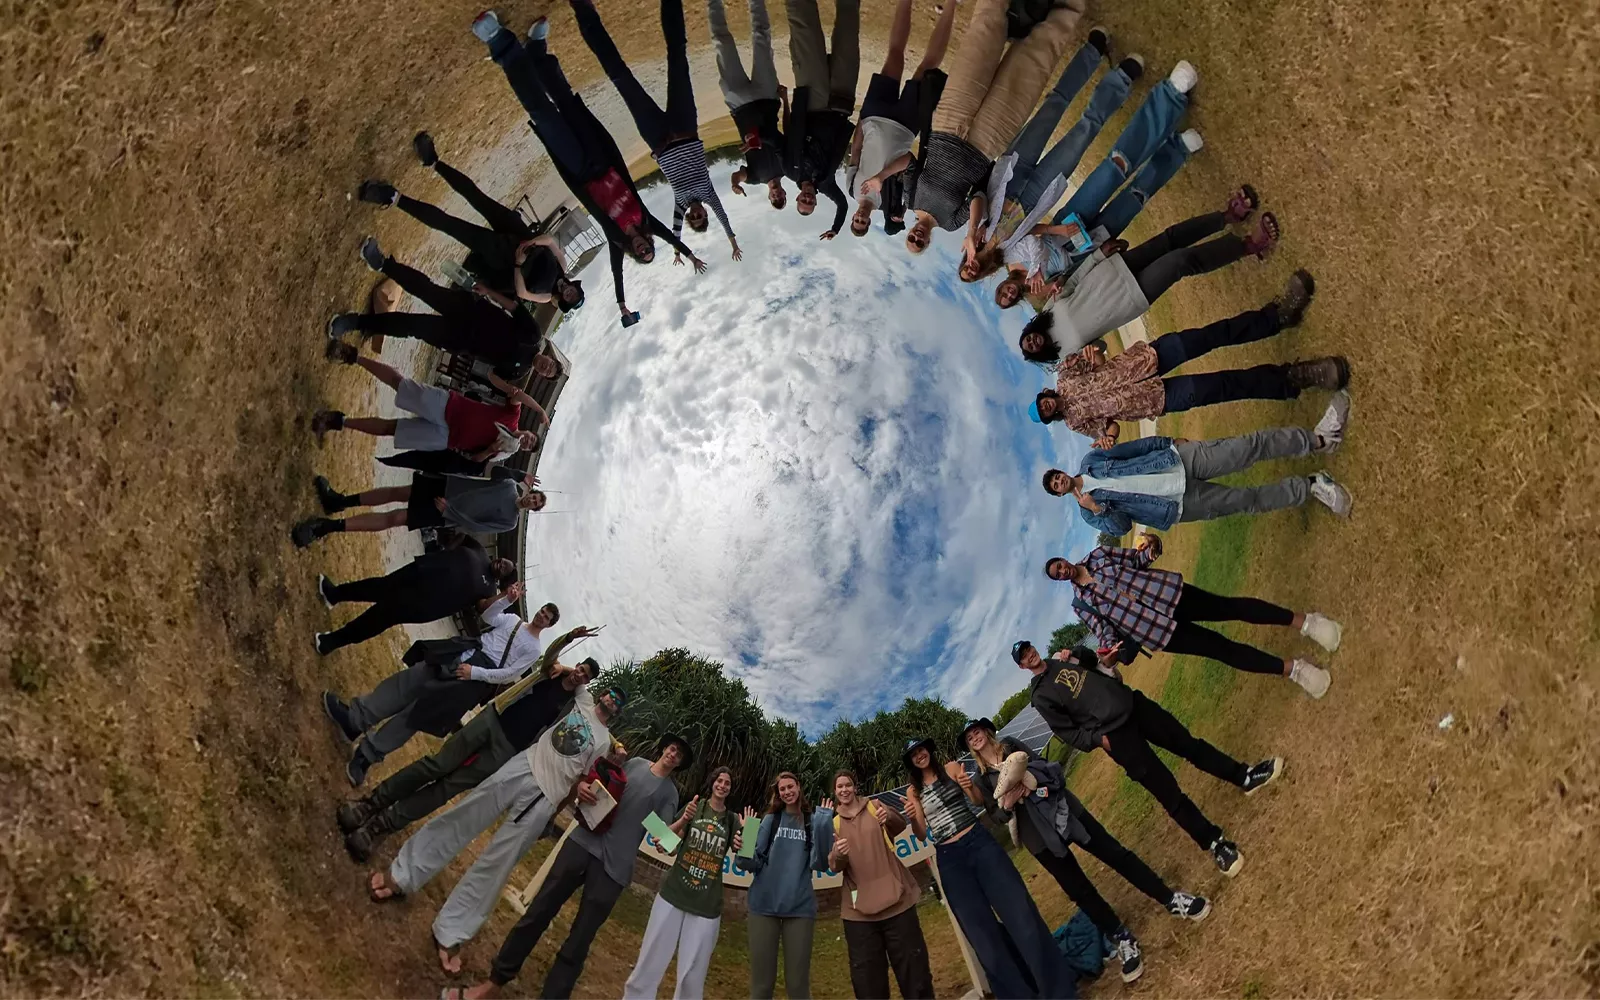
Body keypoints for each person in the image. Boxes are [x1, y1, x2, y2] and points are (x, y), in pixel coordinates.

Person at [365, 678, 629, 973]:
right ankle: (403, 874)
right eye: (611, 695)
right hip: (523, 765)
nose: (611, 701)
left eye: (618, 701)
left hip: (546, 796)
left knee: (498, 864)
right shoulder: (583, 699)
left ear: (618, 710)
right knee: (464, 816)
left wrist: (559, 808)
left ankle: (451, 931)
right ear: (603, 693)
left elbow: (583, 776)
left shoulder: (604, 742)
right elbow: (562, 670)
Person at [472, 12, 707, 325]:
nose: (642, 249)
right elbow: (669, 234)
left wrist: (622, 304)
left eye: (641, 255)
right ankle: (537, 52)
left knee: (545, 115)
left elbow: (616, 272)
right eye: (648, 250)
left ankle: (502, 45)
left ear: (634, 254)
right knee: (567, 101)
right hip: (603, 157)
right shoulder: (646, 220)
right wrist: (690, 254)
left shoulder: (615, 240)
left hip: (581, 170)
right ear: (649, 243)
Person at [959, 718, 1212, 984]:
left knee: (1115, 854)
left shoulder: (1011, 746)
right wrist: (1009, 803)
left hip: (1064, 811)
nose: (974, 736)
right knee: (1078, 889)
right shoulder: (982, 779)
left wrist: (1036, 786)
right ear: (969, 746)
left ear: (986, 732)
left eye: (976, 730)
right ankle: (1121, 937)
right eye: (969, 737)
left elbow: (1047, 768)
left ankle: (1169, 899)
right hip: (1038, 838)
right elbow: (997, 817)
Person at [446, 736, 691, 1000]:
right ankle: (494, 982)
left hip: (613, 870)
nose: (673, 754)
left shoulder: (669, 794)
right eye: (672, 747)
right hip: (582, 844)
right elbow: (602, 789)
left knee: (579, 941)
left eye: (679, 755)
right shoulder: (635, 765)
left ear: (680, 763)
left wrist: (683, 821)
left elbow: (662, 839)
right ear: (664, 747)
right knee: (538, 912)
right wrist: (585, 787)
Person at [1015, 639, 1281, 877]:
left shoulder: (1065, 659)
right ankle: (1215, 842)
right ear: (1022, 667)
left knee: (1190, 745)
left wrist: (1074, 652)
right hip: (1117, 737)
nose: (1030, 656)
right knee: (1167, 791)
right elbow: (1068, 732)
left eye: (1029, 649)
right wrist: (1100, 740)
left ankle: (1244, 776)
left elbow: (1098, 664)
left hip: (1134, 706)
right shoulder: (1040, 696)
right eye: (1024, 657)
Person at [335, 651, 601, 855]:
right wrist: (567, 663)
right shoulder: (550, 673)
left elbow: (591, 711)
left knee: (448, 788)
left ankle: (381, 825)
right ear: (576, 665)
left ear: (588, 683)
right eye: (581, 668)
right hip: (492, 720)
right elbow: (552, 653)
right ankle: (370, 803)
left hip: (507, 749)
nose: (580, 675)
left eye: (586, 676)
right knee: (436, 765)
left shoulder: (572, 704)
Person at [319, 582, 580, 785]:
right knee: (408, 682)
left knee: (420, 713)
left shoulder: (534, 649)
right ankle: (355, 719)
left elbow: (509, 674)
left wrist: (474, 673)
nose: (541, 616)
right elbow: (488, 618)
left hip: (477, 676)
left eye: (547, 618)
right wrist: (505, 598)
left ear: (549, 625)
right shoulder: (513, 620)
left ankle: (367, 754)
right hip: (461, 653)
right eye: (542, 611)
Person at [1022, 273, 1341, 438]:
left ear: (1043, 396)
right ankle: (1295, 378)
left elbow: (1098, 353)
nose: (1047, 406)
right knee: (1225, 386)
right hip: (1154, 400)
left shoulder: (1064, 376)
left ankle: (1278, 317)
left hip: (1146, 359)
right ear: (1050, 418)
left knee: (1213, 335)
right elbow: (1109, 428)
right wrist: (1107, 437)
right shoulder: (1076, 423)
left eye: (1042, 403)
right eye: (1045, 412)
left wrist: (1096, 355)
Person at [996, 61, 1200, 301]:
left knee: (1114, 168)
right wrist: (1060, 282)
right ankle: (1177, 150)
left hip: (1069, 221)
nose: (1009, 293)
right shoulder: (1035, 293)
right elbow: (1069, 277)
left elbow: (1030, 231)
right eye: (1009, 300)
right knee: (1136, 198)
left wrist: (1057, 229)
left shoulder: (1009, 257)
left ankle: (1170, 95)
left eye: (1002, 293)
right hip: (1088, 246)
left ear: (1001, 284)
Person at [1043, 535, 1343, 698]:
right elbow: (1105, 632)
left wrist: (1152, 547)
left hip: (1170, 594)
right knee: (1222, 651)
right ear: (1060, 580)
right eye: (1058, 575)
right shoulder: (1081, 605)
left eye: (1060, 565)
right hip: (1158, 632)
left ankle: (1307, 622)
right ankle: (1295, 670)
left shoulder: (1098, 555)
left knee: (1232, 608)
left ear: (1064, 559)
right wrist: (1109, 654)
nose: (1063, 571)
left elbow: (1137, 559)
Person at [901, 0, 1085, 252]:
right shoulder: (951, 223)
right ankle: (1069, 8)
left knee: (981, 39)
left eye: (911, 239)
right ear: (928, 242)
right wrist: (972, 229)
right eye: (920, 243)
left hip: (948, 123)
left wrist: (880, 177)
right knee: (1032, 66)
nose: (917, 237)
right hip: (986, 143)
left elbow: (909, 162)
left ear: (909, 233)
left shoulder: (910, 199)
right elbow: (978, 198)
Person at [567, 0, 742, 261]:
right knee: (677, 55)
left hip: (656, 137)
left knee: (620, 77)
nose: (694, 214)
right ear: (705, 212)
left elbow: (674, 230)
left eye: (692, 219)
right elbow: (724, 216)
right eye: (700, 216)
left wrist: (680, 252)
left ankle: (584, 12)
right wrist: (732, 242)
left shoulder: (680, 205)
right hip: (685, 127)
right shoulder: (709, 194)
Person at [902, 738, 1075, 999]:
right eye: (913, 754)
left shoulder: (950, 769)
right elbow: (922, 833)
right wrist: (914, 817)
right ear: (910, 761)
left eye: (921, 749)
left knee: (1020, 913)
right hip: (950, 859)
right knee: (983, 936)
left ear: (928, 750)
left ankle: (1058, 992)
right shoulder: (912, 792)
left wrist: (969, 786)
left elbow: (978, 800)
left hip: (979, 843)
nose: (919, 755)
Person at [958, 33, 1140, 279]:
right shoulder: (1007, 256)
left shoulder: (975, 233)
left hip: (1012, 172)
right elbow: (1034, 233)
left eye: (964, 269)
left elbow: (978, 197)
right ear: (981, 274)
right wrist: (1058, 233)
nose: (970, 269)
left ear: (964, 261)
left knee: (1053, 105)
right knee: (1083, 134)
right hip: (1038, 194)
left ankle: (1092, 51)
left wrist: (971, 231)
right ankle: (1122, 78)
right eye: (972, 275)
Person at [356, 131, 587, 311]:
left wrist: (518, 263)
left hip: (503, 254)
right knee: (477, 197)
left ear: (564, 301)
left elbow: (522, 293)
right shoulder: (562, 266)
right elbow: (551, 242)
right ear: (575, 288)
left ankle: (392, 197)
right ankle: (434, 162)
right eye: (574, 294)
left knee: (451, 225)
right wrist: (533, 242)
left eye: (569, 299)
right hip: (520, 233)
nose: (569, 294)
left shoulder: (546, 296)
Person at [998, 192, 1281, 338]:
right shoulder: (1064, 351)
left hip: (1113, 269)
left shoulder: (1045, 309)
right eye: (1008, 300)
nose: (1032, 341)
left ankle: (1227, 217)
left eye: (1028, 337)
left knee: (1169, 239)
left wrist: (1099, 256)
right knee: (1181, 261)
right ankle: (1248, 246)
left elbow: (1072, 281)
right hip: (1130, 294)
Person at [1041, 410, 1356, 531]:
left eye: (1056, 476)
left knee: (1247, 447)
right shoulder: (1087, 514)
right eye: (1056, 486)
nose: (1059, 481)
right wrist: (1097, 507)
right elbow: (1123, 527)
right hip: (1176, 506)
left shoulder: (1091, 461)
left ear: (1061, 471)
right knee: (1248, 501)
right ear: (1059, 493)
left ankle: (1318, 440)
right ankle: (1312, 485)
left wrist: (1167, 440)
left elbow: (1134, 449)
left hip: (1177, 460)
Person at [325, 240, 556, 380]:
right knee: (426, 289)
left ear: (541, 375)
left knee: (411, 326)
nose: (546, 368)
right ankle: (382, 262)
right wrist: (489, 291)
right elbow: (514, 307)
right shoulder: (534, 335)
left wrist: (516, 396)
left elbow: (494, 376)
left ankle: (355, 322)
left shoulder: (518, 372)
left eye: (547, 373)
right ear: (549, 358)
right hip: (472, 310)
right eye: (550, 365)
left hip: (459, 339)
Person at [623, 767, 753, 999]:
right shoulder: (696, 806)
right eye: (719, 781)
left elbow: (745, 859)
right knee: (651, 956)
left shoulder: (732, 820)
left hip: (706, 904)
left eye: (727, 783)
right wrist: (684, 818)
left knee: (692, 973)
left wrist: (750, 829)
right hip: (673, 894)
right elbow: (667, 845)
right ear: (712, 783)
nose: (723, 785)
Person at [308, 346, 543, 466]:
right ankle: (351, 356)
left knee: (393, 429)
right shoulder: (513, 416)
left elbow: (475, 460)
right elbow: (518, 395)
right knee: (401, 384)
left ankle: (335, 421)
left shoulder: (505, 452)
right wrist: (540, 410)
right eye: (531, 439)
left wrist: (492, 449)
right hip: (450, 406)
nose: (527, 443)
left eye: (528, 447)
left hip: (446, 438)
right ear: (529, 433)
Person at [842, 0, 957, 236]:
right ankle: (951, 5)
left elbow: (855, 152)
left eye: (856, 221)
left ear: (853, 217)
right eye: (863, 223)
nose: (861, 218)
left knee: (894, 55)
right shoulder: (888, 203)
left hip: (874, 116)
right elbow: (908, 160)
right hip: (905, 126)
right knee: (927, 68)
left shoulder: (852, 190)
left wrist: (863, 120)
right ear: (868, 223)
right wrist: (881, 177)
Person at [827, 770, 934, 1000]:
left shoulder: (876, 806)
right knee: (869, 985)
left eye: (848, 785)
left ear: (855, 787)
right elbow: (835, 866)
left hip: (898, 902)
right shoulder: (832, 824)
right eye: (839, 787)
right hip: (859, 913)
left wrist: (890, 817)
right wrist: (838, 854)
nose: (844, 790)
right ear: (835, 792)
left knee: (915, 976)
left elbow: (899, 826)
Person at [311, 538, 515, 656]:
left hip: (426, 602)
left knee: (380, 616)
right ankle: (334, 594)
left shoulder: (489, 590)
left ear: (502, 578)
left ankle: (332, 641)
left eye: (504, 568)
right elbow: (463, 537)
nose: (501, 564)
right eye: (503, 560)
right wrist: (445, 550)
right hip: (421, 571)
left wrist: (504, 597)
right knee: (378, 586)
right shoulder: (479, 551)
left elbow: (482, 609)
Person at [736, 772, 836, 999]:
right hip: (763, 907)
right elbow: (750, 862)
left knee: (798, 985)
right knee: (762, 986)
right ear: (778, 793)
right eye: (782, 789)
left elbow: (820, 863)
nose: (787, 792)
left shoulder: (812, 822)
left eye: (791, 787)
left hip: (799, 908)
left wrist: (823, 824)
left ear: (799, 787)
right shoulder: (771, 820)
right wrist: (747, 833)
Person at [292, 470, 545, 548]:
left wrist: (449, 512)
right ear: (531, 493)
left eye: (534, 505)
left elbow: (476, 526)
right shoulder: (511, 485)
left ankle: (326, 527)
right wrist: (520, 474)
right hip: (448, 484)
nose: (531, 501)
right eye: (534, 498)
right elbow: (495, 471)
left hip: (444, 512)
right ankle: (338, 502)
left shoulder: (510, 521)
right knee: (397, 492)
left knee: (395, 518)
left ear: (531, 511)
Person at [782, 0, 860, 239]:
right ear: (816, 202)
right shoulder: (827, 185)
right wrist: (835, 229)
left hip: (811, 101)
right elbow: (844, 206)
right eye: (811, 203)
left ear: (797, 197)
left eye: (802, 201)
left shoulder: (789, 170)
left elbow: (782, 136)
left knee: (805, 29)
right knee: (848, 30)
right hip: (840, 102)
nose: (807, 198)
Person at [711, 0, 787, 211]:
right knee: (761, 37)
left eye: (775, 199)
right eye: (782, 197)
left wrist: (735, 183)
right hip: (768, 98)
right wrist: (785, 100)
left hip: (740, 106)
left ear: (769, 198)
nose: (777, 195)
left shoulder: (755, 178)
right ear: (785, 193)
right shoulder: (788, 168)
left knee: (721, 42)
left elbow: (740, 175)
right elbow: (784, 135)